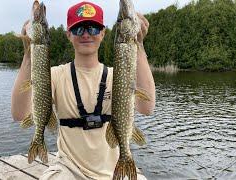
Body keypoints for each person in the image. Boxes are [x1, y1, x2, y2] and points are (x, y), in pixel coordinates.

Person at [11, 1, 155, 180]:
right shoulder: (54, 75)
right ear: (68, 35)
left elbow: (147, 109)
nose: (86, 34)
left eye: (93, 28)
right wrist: (29, 53)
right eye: (79, 29)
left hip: (113, 171)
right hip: (68, 168)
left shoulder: (116, 77)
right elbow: (18, 114)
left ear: (103, 33)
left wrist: (138, 44)